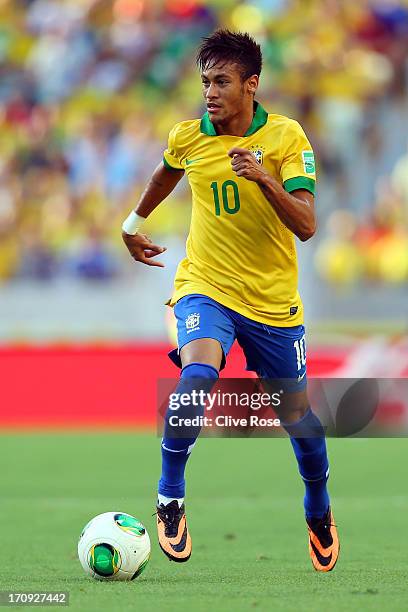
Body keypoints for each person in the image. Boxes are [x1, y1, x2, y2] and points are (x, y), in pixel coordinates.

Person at [122, 30, 339, 572]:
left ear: (251, 84)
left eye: (221, 81)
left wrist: (263, 177)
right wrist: (131, 225)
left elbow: (308, 225)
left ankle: (318, 508)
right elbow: (165, 172)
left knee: (300, 418)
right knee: (196, 376)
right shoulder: (190, 136)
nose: (210, 93)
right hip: (206, 286)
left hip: (271, 302)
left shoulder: (288, 138)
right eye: (204, 81)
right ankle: (170, 499)